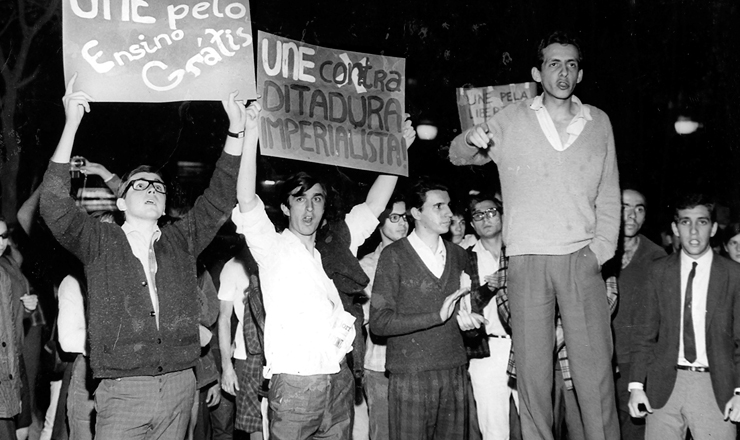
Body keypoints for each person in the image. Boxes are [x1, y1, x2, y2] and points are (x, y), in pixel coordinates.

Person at [39, 74, 257, 439]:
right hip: (124, 392)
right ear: (121, 202)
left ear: (165, 202)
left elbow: (220, 197)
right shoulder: (100, 241)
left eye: (157, 186)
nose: (151, 189)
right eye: (139, 185)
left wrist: (236, 132)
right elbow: (54, 206)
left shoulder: (180, 240)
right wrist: (71, 124)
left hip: (178, 387)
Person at [448, 30, 620, 440]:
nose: (563, 72)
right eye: (554, 63)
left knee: (595, 379)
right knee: (533, 380)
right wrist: (471, 138)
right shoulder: (512, 118)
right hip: (526, 261)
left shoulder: (599, 123)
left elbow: (609, 197)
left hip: (581, 258)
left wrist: (597, 253)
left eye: (572, 65)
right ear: (536, 72)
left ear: (580, 75)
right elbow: (458, 154)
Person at [231, 102, 410, 439]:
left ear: (325, 206)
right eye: (300, 199)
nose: (309, 207)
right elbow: (246, 198)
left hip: (339, 380)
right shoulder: (272, 247)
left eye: (316, 199)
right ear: (285, 207)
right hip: (297, 385)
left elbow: (374, 205)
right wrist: (251, 132)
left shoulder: (336, 245)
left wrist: (397, 150)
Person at [369, 178, 485, 440]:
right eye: (438, 206)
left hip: (454, 370)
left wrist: (470, 326)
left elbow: (468, 316)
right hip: (410, 374)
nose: (448, 213)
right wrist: (436, 317)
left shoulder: (459, 255)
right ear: (416, 213)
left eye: (449, 206)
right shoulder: (394, 256)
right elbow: (379, 322)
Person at [628, 192, 740, 439]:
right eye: (684, 222)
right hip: (664, 385)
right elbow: (644, 335)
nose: (692, 231)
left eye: (701, 222)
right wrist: (636, 386)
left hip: (716, 386)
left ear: (712, 229)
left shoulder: (733, 275)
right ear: (674, 228)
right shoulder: (658, 271)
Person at [608, 188, 665, 440]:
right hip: (600, 360)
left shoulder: (656, 257)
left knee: (634, 430)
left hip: (636, 364)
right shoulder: (597, 251)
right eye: (624, 207)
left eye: (639, 208)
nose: (631, 215)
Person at [461, 193, 518, 440]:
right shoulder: (466, 256)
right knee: (493, 428)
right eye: (478, 215)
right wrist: (490, 287)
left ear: (503, 216)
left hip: (523, 345)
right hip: (487, 349)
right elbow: (465, 305)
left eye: (492, 212)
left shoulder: (520, 251)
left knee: (535, 420)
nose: (486, 219)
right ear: (472, 224)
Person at [358, 194, 410, 440]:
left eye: (405, 218)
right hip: (380, 365)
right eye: (395, 218)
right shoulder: (367, 266)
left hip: (415, 364)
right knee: (383, 433)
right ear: (379, 222)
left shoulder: (418, 259)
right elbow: (372, 314)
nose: (403, 223)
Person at [1, 217, 37, 440]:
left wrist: (29, 306)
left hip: (14, 356)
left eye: (3, 236)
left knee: (21, 429)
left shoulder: (9, 265)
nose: (0, 242)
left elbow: (16, 311)